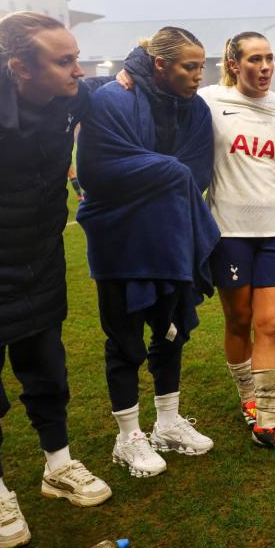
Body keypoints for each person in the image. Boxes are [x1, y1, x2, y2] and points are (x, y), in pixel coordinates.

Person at [0, 12, 112, 548]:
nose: (78, 70)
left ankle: (58, 465)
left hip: (39, 258)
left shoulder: (69, 98)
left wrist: (142, 69)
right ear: (17, 69)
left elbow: (119, 83)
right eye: (64, 61)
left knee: (48, 372)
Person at [76, 26, 220, 478]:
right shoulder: (112, 99)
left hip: (171, 237)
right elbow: (98, 170)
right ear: (160, 65)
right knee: (124, 338)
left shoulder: (196, 110)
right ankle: (128, 437)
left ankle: (168, 422)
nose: (198, 75)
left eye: (201, 66)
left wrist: (156, 175)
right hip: (120, 239)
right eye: (189, 66)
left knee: (171, 329)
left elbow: (196, 174)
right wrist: (168, 173)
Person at [198, 32, 275, 457]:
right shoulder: (208, 101)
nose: (264, 68)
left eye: (270, 59)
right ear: (234, 62)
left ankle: (267, 420)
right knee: (239, 321)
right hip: (229, 232)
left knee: (272, 325)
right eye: (255, 59)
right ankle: (246, 396)